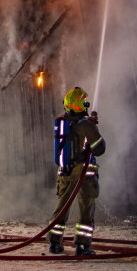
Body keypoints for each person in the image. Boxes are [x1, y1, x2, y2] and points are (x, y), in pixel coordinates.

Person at [48, 87, 106, 256]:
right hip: (84, 175)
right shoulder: (86, 125)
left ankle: (54, 243)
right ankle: (83, 246)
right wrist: (94, 128)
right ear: (82, 105)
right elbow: (99, 149)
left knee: (61, 208)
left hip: (64, 172)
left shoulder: (62, 123)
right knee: (86, 208)